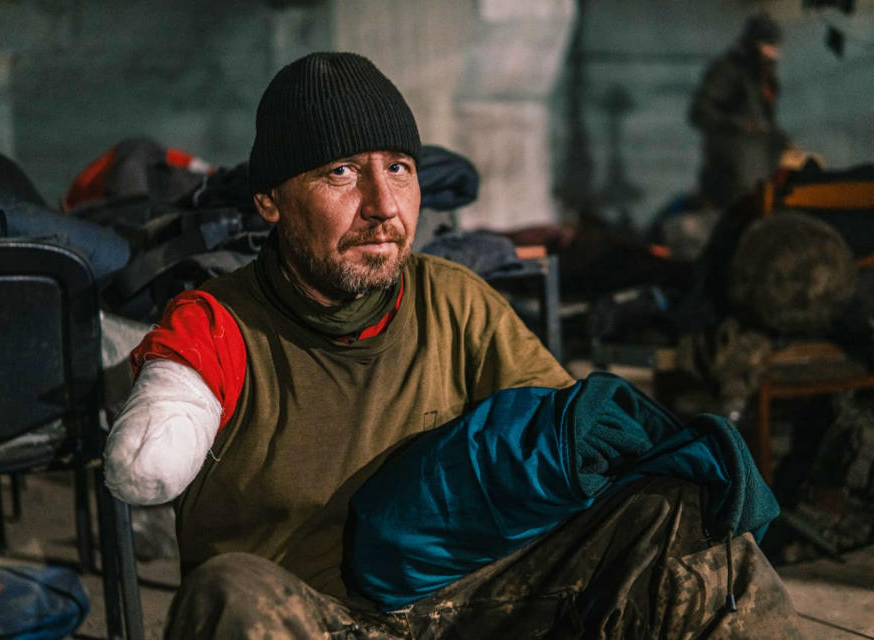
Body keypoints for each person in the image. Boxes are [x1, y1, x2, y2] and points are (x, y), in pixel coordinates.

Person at [104, 52, 804, 638]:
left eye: (399, 169)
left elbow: (565, 446)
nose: (383, 205)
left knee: (683, 524)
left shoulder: (452, 297)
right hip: (321, 622)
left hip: (471, 607)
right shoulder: (222, 321)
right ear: (271, 201)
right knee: (229, 591)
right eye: (342, 172)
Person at [689, 12, 790, 207]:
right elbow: (699, 112)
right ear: (755, 45)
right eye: (769, 47)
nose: (774, 54)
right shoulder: (728, 71)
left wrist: (784, 141)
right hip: (732, 167)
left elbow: (766, 120)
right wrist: (739, 125)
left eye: (775, 48)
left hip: (762, 163)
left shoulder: (762, 76)